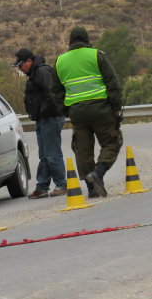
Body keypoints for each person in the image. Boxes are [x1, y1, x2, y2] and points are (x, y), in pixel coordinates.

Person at [50, 26, 123, 198]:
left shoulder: (60, 61)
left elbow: (55, 91)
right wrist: (116, 108)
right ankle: (98, 172)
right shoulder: (96, 55)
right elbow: (113, 83)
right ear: (88, 41)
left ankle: (91, 188)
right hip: (101, 109)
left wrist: (67, 110)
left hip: (77, 112)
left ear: (69, 43)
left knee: (82, 149)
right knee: (112, 141)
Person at [13, 48, 67, 198]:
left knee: (52, 153)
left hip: (50, 117)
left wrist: (43, 111)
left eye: (21, 65)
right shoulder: (35, 73)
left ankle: (61, 185)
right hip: (43, 119)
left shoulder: (42, 72)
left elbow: (52, 95)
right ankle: (42, 187)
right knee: (44, 154)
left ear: (29, 61)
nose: (20, 69)